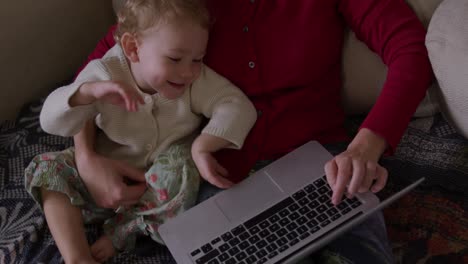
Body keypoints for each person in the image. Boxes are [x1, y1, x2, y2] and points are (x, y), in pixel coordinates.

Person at [74, 0, 434, 263]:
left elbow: (410, 48)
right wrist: (85, 156)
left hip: (325, 163)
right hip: (220, 175)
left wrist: (368, 144)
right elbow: (96, 72)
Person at [24, 0, 257, 263]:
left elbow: (237, 105)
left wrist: (204, 145)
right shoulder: (104, 73)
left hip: (158, 187)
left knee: (184, 163)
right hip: (104, 175)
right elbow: (50, 121)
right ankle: (77, 256)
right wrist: (86, 94)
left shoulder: (194, 79)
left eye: (197, 59)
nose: (188, 71)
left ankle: (124, 231)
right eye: (174, 58)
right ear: (133, 48)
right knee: (45, 167)